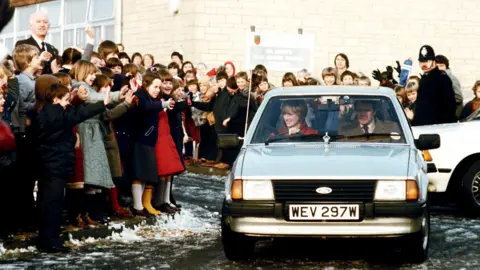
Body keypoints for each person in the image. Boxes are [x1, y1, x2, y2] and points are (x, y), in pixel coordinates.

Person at [411, 45, 457, 126]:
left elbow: (449, 107)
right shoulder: (425, 77)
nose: (424, 64)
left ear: (434, 62)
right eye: (421, 62)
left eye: (427, 61)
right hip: (426, 126)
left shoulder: (441, 78)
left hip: (436, 127)